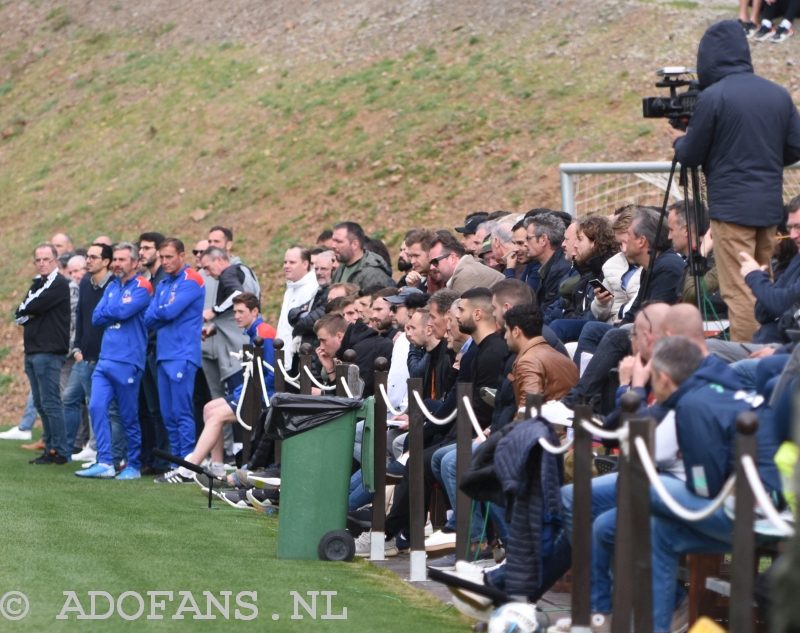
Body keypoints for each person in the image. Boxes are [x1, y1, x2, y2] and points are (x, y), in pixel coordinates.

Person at [671, 20, 800, 341]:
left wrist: (677, 139)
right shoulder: (778, 94)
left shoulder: (713, 97)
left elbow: (690, 154)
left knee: (739, 292)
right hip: (769, 211)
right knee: (761, 281)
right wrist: (766, 160)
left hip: (732, 212)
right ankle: (773, 350)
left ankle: (748, 362)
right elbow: (796, 146)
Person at [164, 293, 275, 483]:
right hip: (252, 391)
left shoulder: (264, 332)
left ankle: (188, 470)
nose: (237, 316)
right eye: (235, 312)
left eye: (241, 312)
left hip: (263, 397)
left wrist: (246, 392)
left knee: (216, 416)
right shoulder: (254, 332)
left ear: (255, 311)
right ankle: (216, 467)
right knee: (208, 408)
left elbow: (273, 374)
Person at [78, 243, 153, 480]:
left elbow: (119, 313)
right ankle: (105, 462)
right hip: (105, 359)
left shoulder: (143, 286)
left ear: (134, 262)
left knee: (128, 415)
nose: (117, 264)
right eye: (116, 260)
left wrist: (114, 309)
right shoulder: (112, 286)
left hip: (128, 360)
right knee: (96, 406)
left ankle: (133, 465)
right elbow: (96, 317)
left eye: (122, 260)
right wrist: (116, 309)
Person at [144, 238, 205, 474]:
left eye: (169, 257)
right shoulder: (163, 284)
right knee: (168, 414)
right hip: (164, 354)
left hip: (182, 354)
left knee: (182, 412)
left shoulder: (192, 279)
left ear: (182, 256)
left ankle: (186, 465)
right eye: (162, 257)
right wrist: (162, 312)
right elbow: (149, 317)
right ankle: (175, 462)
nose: (165, 261)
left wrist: (161, 312)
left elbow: (170, 311)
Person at [15, 243, 72, 464]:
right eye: (38, 260)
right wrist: (28, 311)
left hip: (49, 351)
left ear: (56, 261)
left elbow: (33, 306)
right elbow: (20, 313)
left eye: (46, 259)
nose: (41, 263)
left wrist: (29, 310)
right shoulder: (37, 284)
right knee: (40, 403)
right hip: (33, 350)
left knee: (50, 402)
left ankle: (59, 451)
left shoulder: (58, 284)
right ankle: (51, 447)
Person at [547, 215, 618, 342]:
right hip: (588, 325)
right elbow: (576, 311)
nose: (575, 244)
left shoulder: (607, 270)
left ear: (594, 243)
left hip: (605, 330)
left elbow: (593, 317)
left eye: (580, 239)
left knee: (558, 327)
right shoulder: (587, 271)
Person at [504, 304, 579, 407]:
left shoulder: (528, 361)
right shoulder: (564, 359)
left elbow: (529, 412)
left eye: (506, 331)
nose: (505, 336)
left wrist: (515, 423)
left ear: (516, 331)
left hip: (548, 422)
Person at [591, 207, 641, 324]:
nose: (623, 249)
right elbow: (598, 315)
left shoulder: (654, 264)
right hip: (611, 323)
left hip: (633, 324)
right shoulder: (611, 265)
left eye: (627, 242)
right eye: (619, 244)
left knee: (590, 329)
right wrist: (601, 302)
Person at [276, 245, 319, 366]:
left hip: (298, 360)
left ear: (305, 264)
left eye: (292, 262)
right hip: (282, 357)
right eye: (285, 262)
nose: (286, 266)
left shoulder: (312, 289)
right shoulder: (290, 288)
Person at [428, 232, 504, 294]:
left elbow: (459, 311)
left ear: (453, 258)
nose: (432, 267)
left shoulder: (466, 275)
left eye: (435, 262)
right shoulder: (464, 270)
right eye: (431, 263)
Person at [525, 213, 571, 314]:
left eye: (528, 238)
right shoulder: (551, 266)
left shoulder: (559, 270)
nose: (525, 243)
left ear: (543, 240)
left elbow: (547, 313)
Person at [330, 221, 392, 289]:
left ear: (355, 244)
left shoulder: (373, 273)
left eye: (339, 241)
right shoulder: (340, 269)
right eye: (333, 241)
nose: (333, 245)